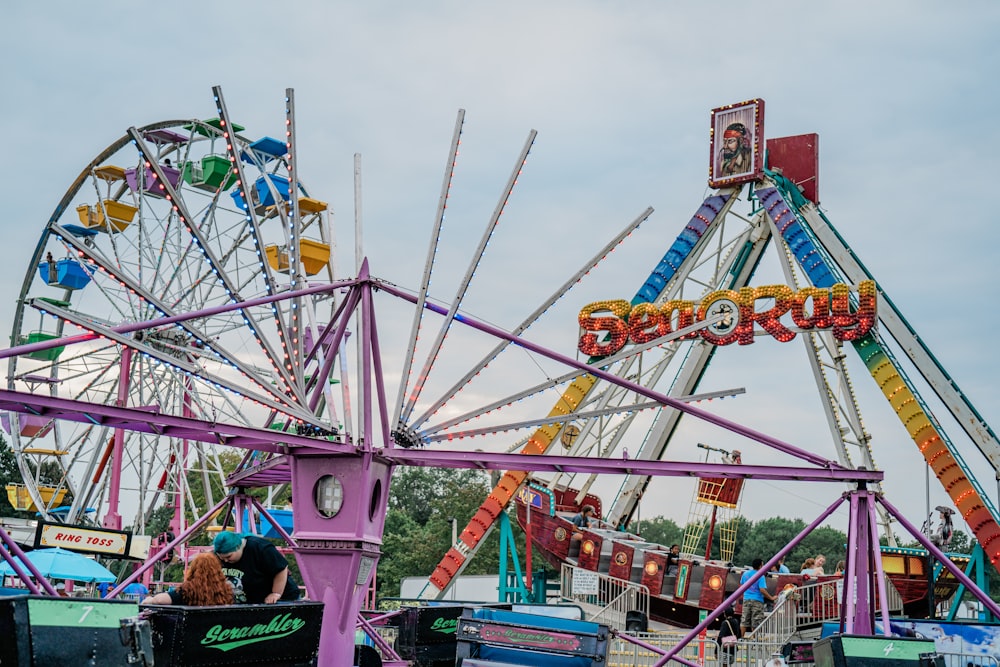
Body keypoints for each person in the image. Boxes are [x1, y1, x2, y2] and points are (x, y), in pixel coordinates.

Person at [213, 532, 300, 604]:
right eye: (222, 558)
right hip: (251, 601)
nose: (226, 561)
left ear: (238, 547)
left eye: (229, 557)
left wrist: (276, 593)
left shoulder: (261, 548)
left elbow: (281, 568)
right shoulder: (219, 556)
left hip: (282, 600)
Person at [141, 552, 234, 606]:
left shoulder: (189, 589)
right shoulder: (226, 590)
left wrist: (150, 599)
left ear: (194, 570)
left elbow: (160, 600)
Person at [740, 558, 775, 635]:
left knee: (744, 620)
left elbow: (742, 584)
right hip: (757, 600)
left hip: (746, 599)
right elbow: (762, 590)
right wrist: (771, 598)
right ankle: (754, 640)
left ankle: (741, 639)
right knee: (756, 621)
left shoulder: (745, 574)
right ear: (760, 566)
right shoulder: (760, 576)